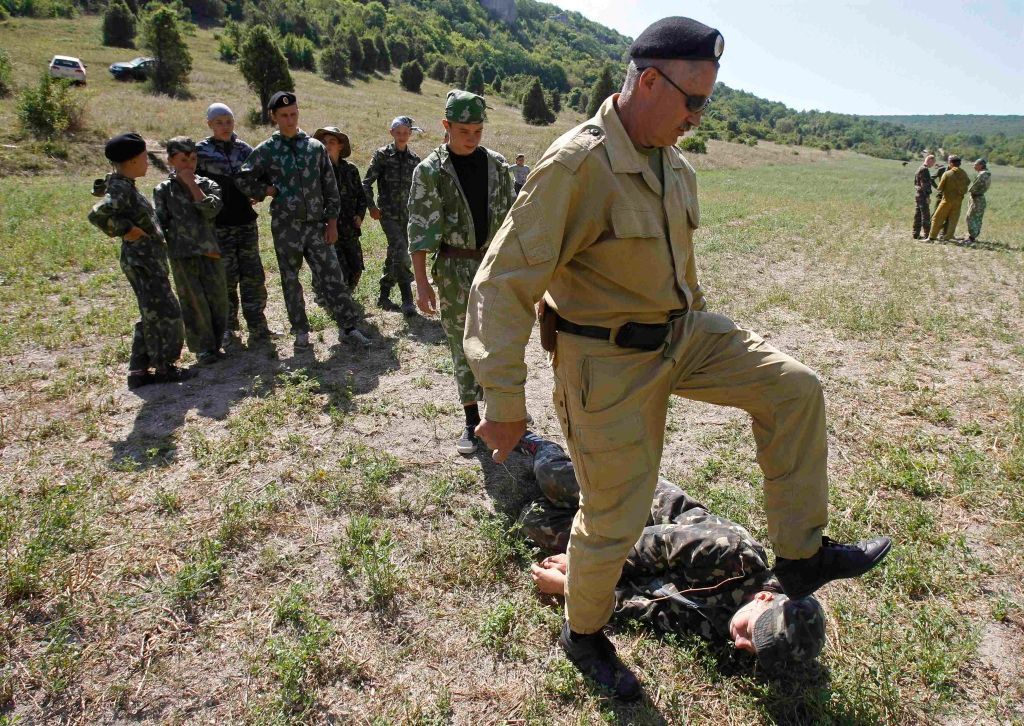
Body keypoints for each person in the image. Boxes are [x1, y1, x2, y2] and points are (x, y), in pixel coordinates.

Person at [463, 17, 891, 700]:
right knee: (615, 516)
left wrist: (698, 335)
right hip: (607, 361)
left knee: (794, 387)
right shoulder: (578, 164)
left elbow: (676, 276)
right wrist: (503, 402)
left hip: (681, 335)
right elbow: (502, 283)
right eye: (693, 100)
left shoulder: (674, 164)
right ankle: (584, 634)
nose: (699, 115)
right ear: (650, 80)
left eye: (707, 103)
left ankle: (802, 556)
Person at [517, 433, 826, 671]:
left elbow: (651, 609)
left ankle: (566, 505)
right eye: (752, 632)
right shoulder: (734, 554)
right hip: (644, 511)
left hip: (642, 561)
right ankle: (537, 445)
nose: (741, 642)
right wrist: (582, 566)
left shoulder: (720, 625)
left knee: (533, 521)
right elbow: (652, 545)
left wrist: (574, 591)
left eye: (756, 648)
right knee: (551, 476)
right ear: (764, 598)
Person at [407, 90, 516, 455]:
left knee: (499, 340)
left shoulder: (498, 165)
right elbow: (420, 231)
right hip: (454, 269)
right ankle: (472, 420)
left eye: (478, 131)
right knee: (462, 343)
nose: (472, 138)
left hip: (494, 266)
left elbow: (514, 218)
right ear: (446, 126)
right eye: (464, 130)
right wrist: (422, 284)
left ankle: (501, 413)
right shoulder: (431, 171)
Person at [236, 92, 371, 350]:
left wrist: (331, 223)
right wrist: (267, 190)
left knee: (333, 276)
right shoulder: (267, 150)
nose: (289, 119)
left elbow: (330, 187)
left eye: (293, 114)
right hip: (286, 227)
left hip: (316, 226)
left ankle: (349, 326)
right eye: (284, 115)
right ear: (274, 117)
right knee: (290, 278)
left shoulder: (314, 147)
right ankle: (300, 331)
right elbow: (243, 178)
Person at [89, 133, 192, 389]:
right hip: (143, 261)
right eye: (145, 157)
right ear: (133, 161)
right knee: (166, 313)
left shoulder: (123, 183)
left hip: (146, 260)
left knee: (151, 313)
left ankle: (138, 370)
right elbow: (98, 214)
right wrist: (126, 229)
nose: (148, 162)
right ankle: (164, 367)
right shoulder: (121, 187)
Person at [196, 103, 274, 348]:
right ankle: (228, 327)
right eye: (219, 122)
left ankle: (258, 326)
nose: (225, 126)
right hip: (218, 225)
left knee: (253, 276)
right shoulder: (200, 152)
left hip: (245, 222)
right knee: (224, 278)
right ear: (209, 124)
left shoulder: (245, 150)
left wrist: (258, 193)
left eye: (228, 121)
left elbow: (262, 177)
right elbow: (186, 182)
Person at [153, 137, 229, 366]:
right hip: (182, 254)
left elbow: (211, 211)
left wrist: (193, 185)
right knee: (194, 303)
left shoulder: (208, 185)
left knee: (218, 299)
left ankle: (217, 342)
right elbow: (161, 223)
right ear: (170, 160)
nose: (189, 164)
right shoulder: (164, 190)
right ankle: (203, 348)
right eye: (183, 160)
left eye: (193, 159)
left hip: (210, 251)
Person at [363, 116, 422, 316]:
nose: (402, 136)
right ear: (392, 133)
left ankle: (383, 295)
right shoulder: (382, 155)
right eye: (399, 132)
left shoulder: (415, 160)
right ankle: (407, 300)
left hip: (408, 215)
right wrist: (371, 207)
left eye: (406, 133)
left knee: (395, 253)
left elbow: (420, 189)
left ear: (410, 134)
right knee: (401, 250)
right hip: (387, 214)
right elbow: (366, 183)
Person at [314, 126, 368, 290]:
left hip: (350, 228)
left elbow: (361, 196)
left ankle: (345, 294)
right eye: (324, 142)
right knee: (338, 270)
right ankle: (330, 295)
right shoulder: (316, 170)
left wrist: (359, 215)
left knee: (356, 267)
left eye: (332, 142)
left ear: (340, 146)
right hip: (329, 228)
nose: (327, 145)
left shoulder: (351, 170)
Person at [927, 155, 970, 242]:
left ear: (951, 163)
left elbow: (940, 188)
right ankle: (948, 237)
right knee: (953, 219)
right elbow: (968, 182)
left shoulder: (947, 173)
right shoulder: (964, 173)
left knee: (937, 218)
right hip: (958, 201)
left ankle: (931, 237)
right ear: (959, 164)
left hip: (947, 200)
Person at [965, 158, 991, 246]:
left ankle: (971, 237)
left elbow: (973, 188)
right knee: (977, 218)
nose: (974, 166)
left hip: (977, 198)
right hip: (980, 198)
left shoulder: (982, 175)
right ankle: (973, 236)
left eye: (975, 164)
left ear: (981, 165)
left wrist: (969, 190)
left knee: (970, 217)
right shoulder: (986, 174)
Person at [913, 154, 935, 239]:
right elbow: (925, 185)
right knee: (925, 215)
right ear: (930, 160)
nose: (933, 165)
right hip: (923, 195)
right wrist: (928, 196)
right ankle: (927, 235)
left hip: (918, 194)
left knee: (917, 215)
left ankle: (916, 234)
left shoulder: (919, 168)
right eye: (933, 163)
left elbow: (915, 183)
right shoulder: (925, 170)